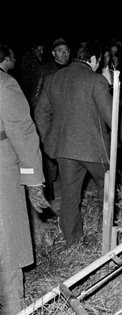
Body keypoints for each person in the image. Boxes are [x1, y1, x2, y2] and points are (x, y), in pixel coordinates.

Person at [34, 41, 113, 245]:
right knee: (108, 189)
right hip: (95, 148)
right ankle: (107, 234)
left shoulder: (53, 79)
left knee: (70, 195)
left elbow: (40, 112)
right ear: (93, 60)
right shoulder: (96, 80)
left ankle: (73, 241)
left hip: (64, 149)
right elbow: (111, 115)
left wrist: (49, 138)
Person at [0, 44, 51, 315]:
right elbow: (23, 134)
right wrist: (34, 183)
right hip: (2, 176)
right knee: (7, 246)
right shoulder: (5, 86)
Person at [30, 37, 71, 201]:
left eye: (67, 51)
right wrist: (41, 124)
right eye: (60, 51)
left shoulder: (73, 69)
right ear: (53, 53)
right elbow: (36, 97)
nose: (64, 54)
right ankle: (50, 191)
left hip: (68, 118)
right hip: (51, 120)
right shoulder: (44, 70)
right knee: (50, 156)